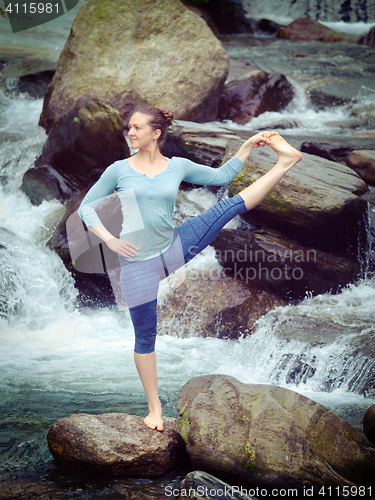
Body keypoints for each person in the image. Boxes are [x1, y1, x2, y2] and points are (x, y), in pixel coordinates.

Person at [78, 106, 302, 432]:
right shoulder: (118, 170)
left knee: (226, 207)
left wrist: (248, 145)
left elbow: (223, 177)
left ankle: (285, 162)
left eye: (137, 127)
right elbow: (86, 206)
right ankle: (154, 409)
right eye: (129, 127)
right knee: (145, 337)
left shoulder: (177, 166)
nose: (130, 132)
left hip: (174, 247)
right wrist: (110, 240)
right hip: (136, 264)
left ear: (156, 133)